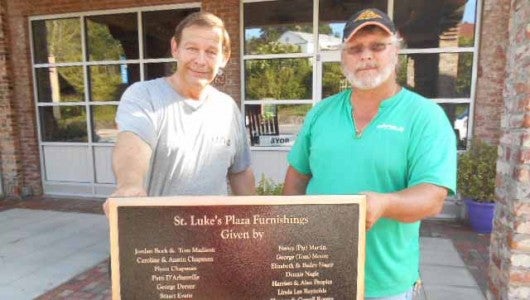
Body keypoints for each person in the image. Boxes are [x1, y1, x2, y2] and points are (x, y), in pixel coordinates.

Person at [283, 8, 456, 299]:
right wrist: (289, 233)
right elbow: (297, 176)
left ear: (396, 52)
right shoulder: (321, 113)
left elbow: (433, 197)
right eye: (355, 48)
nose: (366, 55)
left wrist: (385, 204)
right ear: (343, 57)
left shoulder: (425, 116)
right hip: (317, 274)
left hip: (385, 285)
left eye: (377, 46)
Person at [103, 11, 255, 215]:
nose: (201, 60)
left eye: (211, 52)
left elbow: (240, 171)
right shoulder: (144, 95)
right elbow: (133, 142)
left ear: (224, 58)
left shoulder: (228, 108)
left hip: (215, 237)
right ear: (175, 48)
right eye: (192, 49)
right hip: (158, 239)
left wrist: (256, 217)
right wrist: (129, 186)